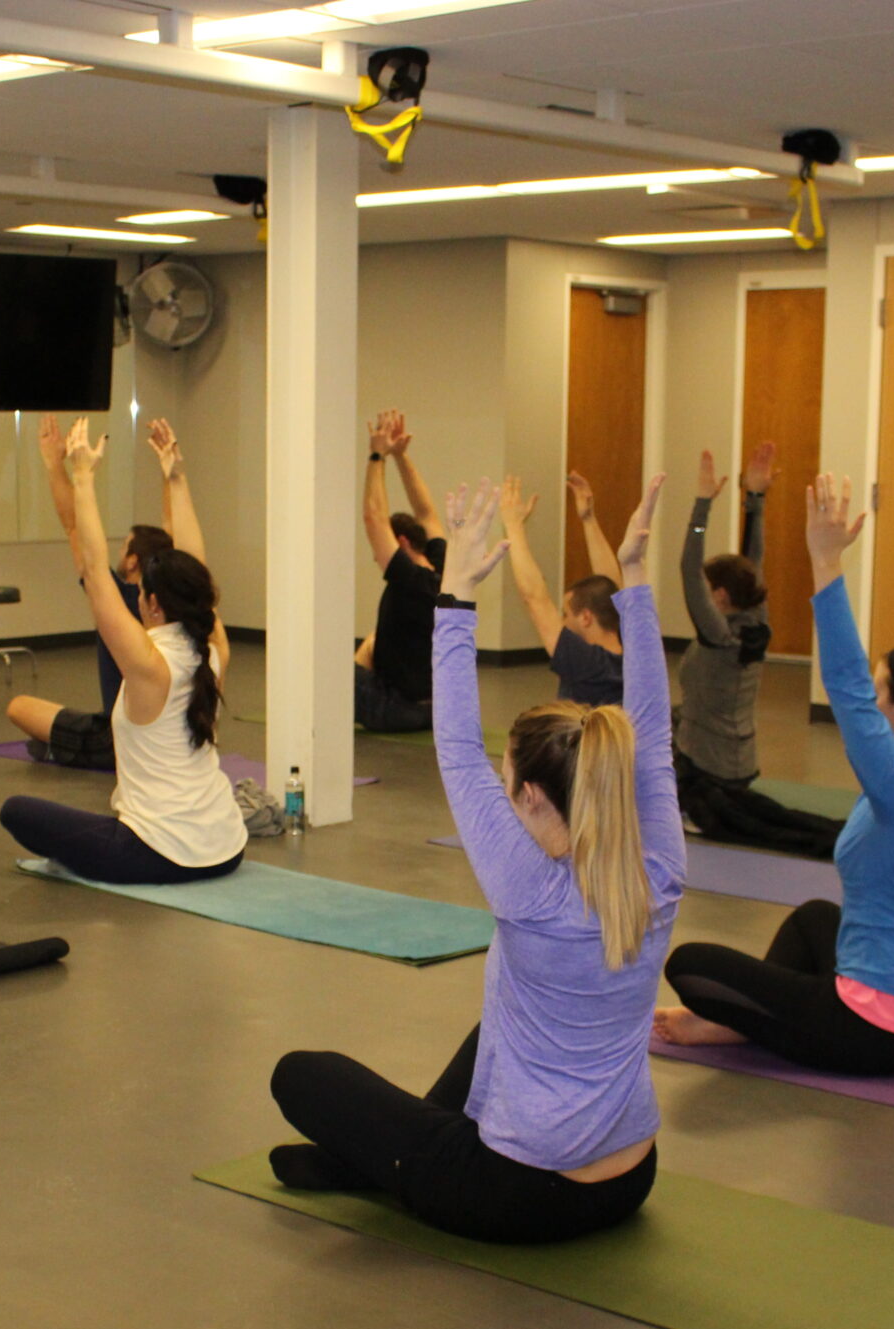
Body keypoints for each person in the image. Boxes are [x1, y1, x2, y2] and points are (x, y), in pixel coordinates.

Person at [266, 472, 683, 1244]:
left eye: (506, 777)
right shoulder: (658, 867)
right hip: (631, 1175)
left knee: (299, 1074)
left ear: (532, 795)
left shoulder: (531, 890)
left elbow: (456, 745)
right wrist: (634, 576)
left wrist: (454, 592)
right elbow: (652, 733)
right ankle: (384, 1161)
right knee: (498, 1017)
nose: (496, 783)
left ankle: (385, 1165)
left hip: (522, 1195)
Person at [656, 470, 894, 1074]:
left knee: (690, 965)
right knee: (814, 918)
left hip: (882, 1031)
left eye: (883, 694)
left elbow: (847, 687)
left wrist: (826, 563)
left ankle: (741, 1024)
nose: (874, 702)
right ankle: (753, 1020)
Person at [0, 419, 246, 884]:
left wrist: (83, 477)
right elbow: (197, 566)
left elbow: (94, 570)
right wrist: (176, 477)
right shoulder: (214, 649)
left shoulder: (148, 662)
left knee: (16, 811)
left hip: (159, 854)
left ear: (150, 603)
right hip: (227, 847)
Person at [672, 442, 844, 855]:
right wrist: (755, 498)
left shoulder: (719, 636)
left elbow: (688, 570)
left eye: (708, 590)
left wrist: (701, 507)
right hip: (737, 762)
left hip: (708, 770)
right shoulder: (755, 619)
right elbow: (755, 560)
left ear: (720, 596)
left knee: (772, 827)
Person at [2, 413, 177, 771]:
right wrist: (170, 472)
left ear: (133, 561)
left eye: (124, 547)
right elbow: (174, 530)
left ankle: (63, 749)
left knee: (18, 707)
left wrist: (55, 465)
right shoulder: (173, 599)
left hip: (119, 738)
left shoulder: (119, 599)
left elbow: (73, 526)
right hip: (165, 734)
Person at [499, 472, 630, 707]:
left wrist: (513, 526)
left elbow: (535, 598)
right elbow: (611, 586)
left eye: (566, 614)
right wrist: (588, 520)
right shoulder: (634, 652)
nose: (562, 621)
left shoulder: (588, 665)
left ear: (586, 617)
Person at [352, 408, 443, 733]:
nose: (377, 558)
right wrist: (402, 457)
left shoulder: (410, 580)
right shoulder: (442, 566)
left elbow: (373, 517)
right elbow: (426, 512)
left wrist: (377, 455)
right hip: (435, 709)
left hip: (399, 710)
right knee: (374, 640)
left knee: (323, 662)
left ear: (402, 543)